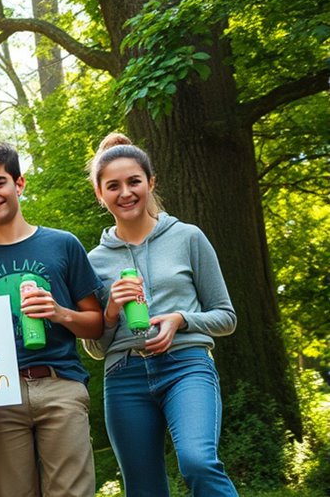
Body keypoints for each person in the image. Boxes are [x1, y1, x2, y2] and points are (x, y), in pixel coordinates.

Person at [83, 133, 238, 496]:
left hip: (187, 365)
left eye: (134, 181)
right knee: (143, 487)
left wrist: (181, 320)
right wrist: (109, 311)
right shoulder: (94, 261)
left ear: (150, 182)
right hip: (124, 376)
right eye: (113, 186)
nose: (126, 192)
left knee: (198, 461)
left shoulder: (187, 237)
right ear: (100, 195)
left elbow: (226, 316)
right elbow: (96, 348)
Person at [0, 141, 103, 497]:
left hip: (61, 385)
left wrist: (60, 313)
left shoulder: (63, 245)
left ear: (18, 184)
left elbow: (96, 324)